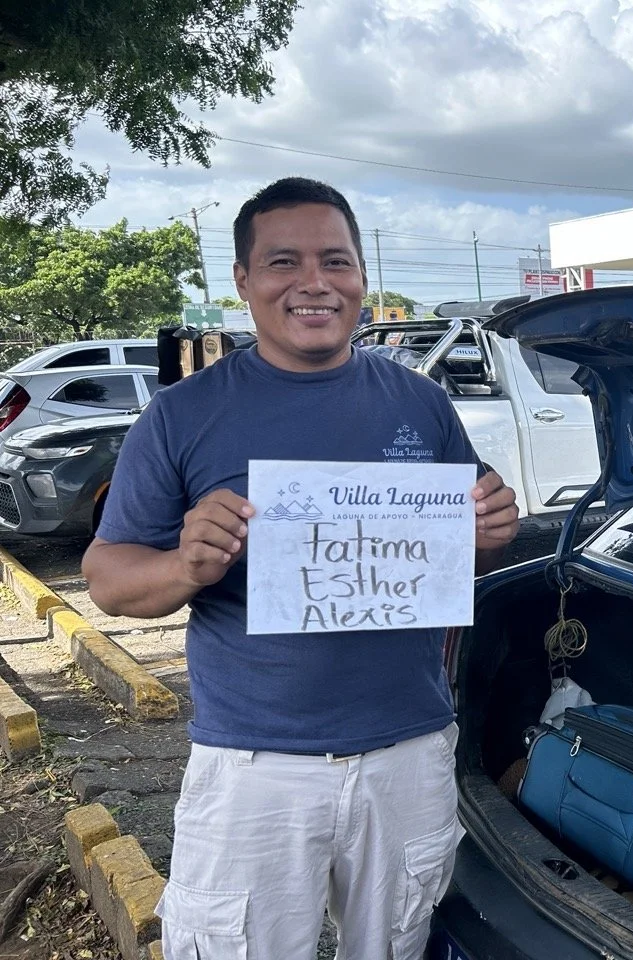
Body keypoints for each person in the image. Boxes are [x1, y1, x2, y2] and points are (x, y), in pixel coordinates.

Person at [81, 177, 519, 959]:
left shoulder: (421, 404)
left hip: (409, 753)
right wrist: (186, 564)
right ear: (244, 281)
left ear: (361, 276)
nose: (315, 282)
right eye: (284, 261)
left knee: (393, 946)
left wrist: (491, 529)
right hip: (256, 766)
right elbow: (110, 579)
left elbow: (464, 551)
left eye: (337, 260)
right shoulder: (183, 414)